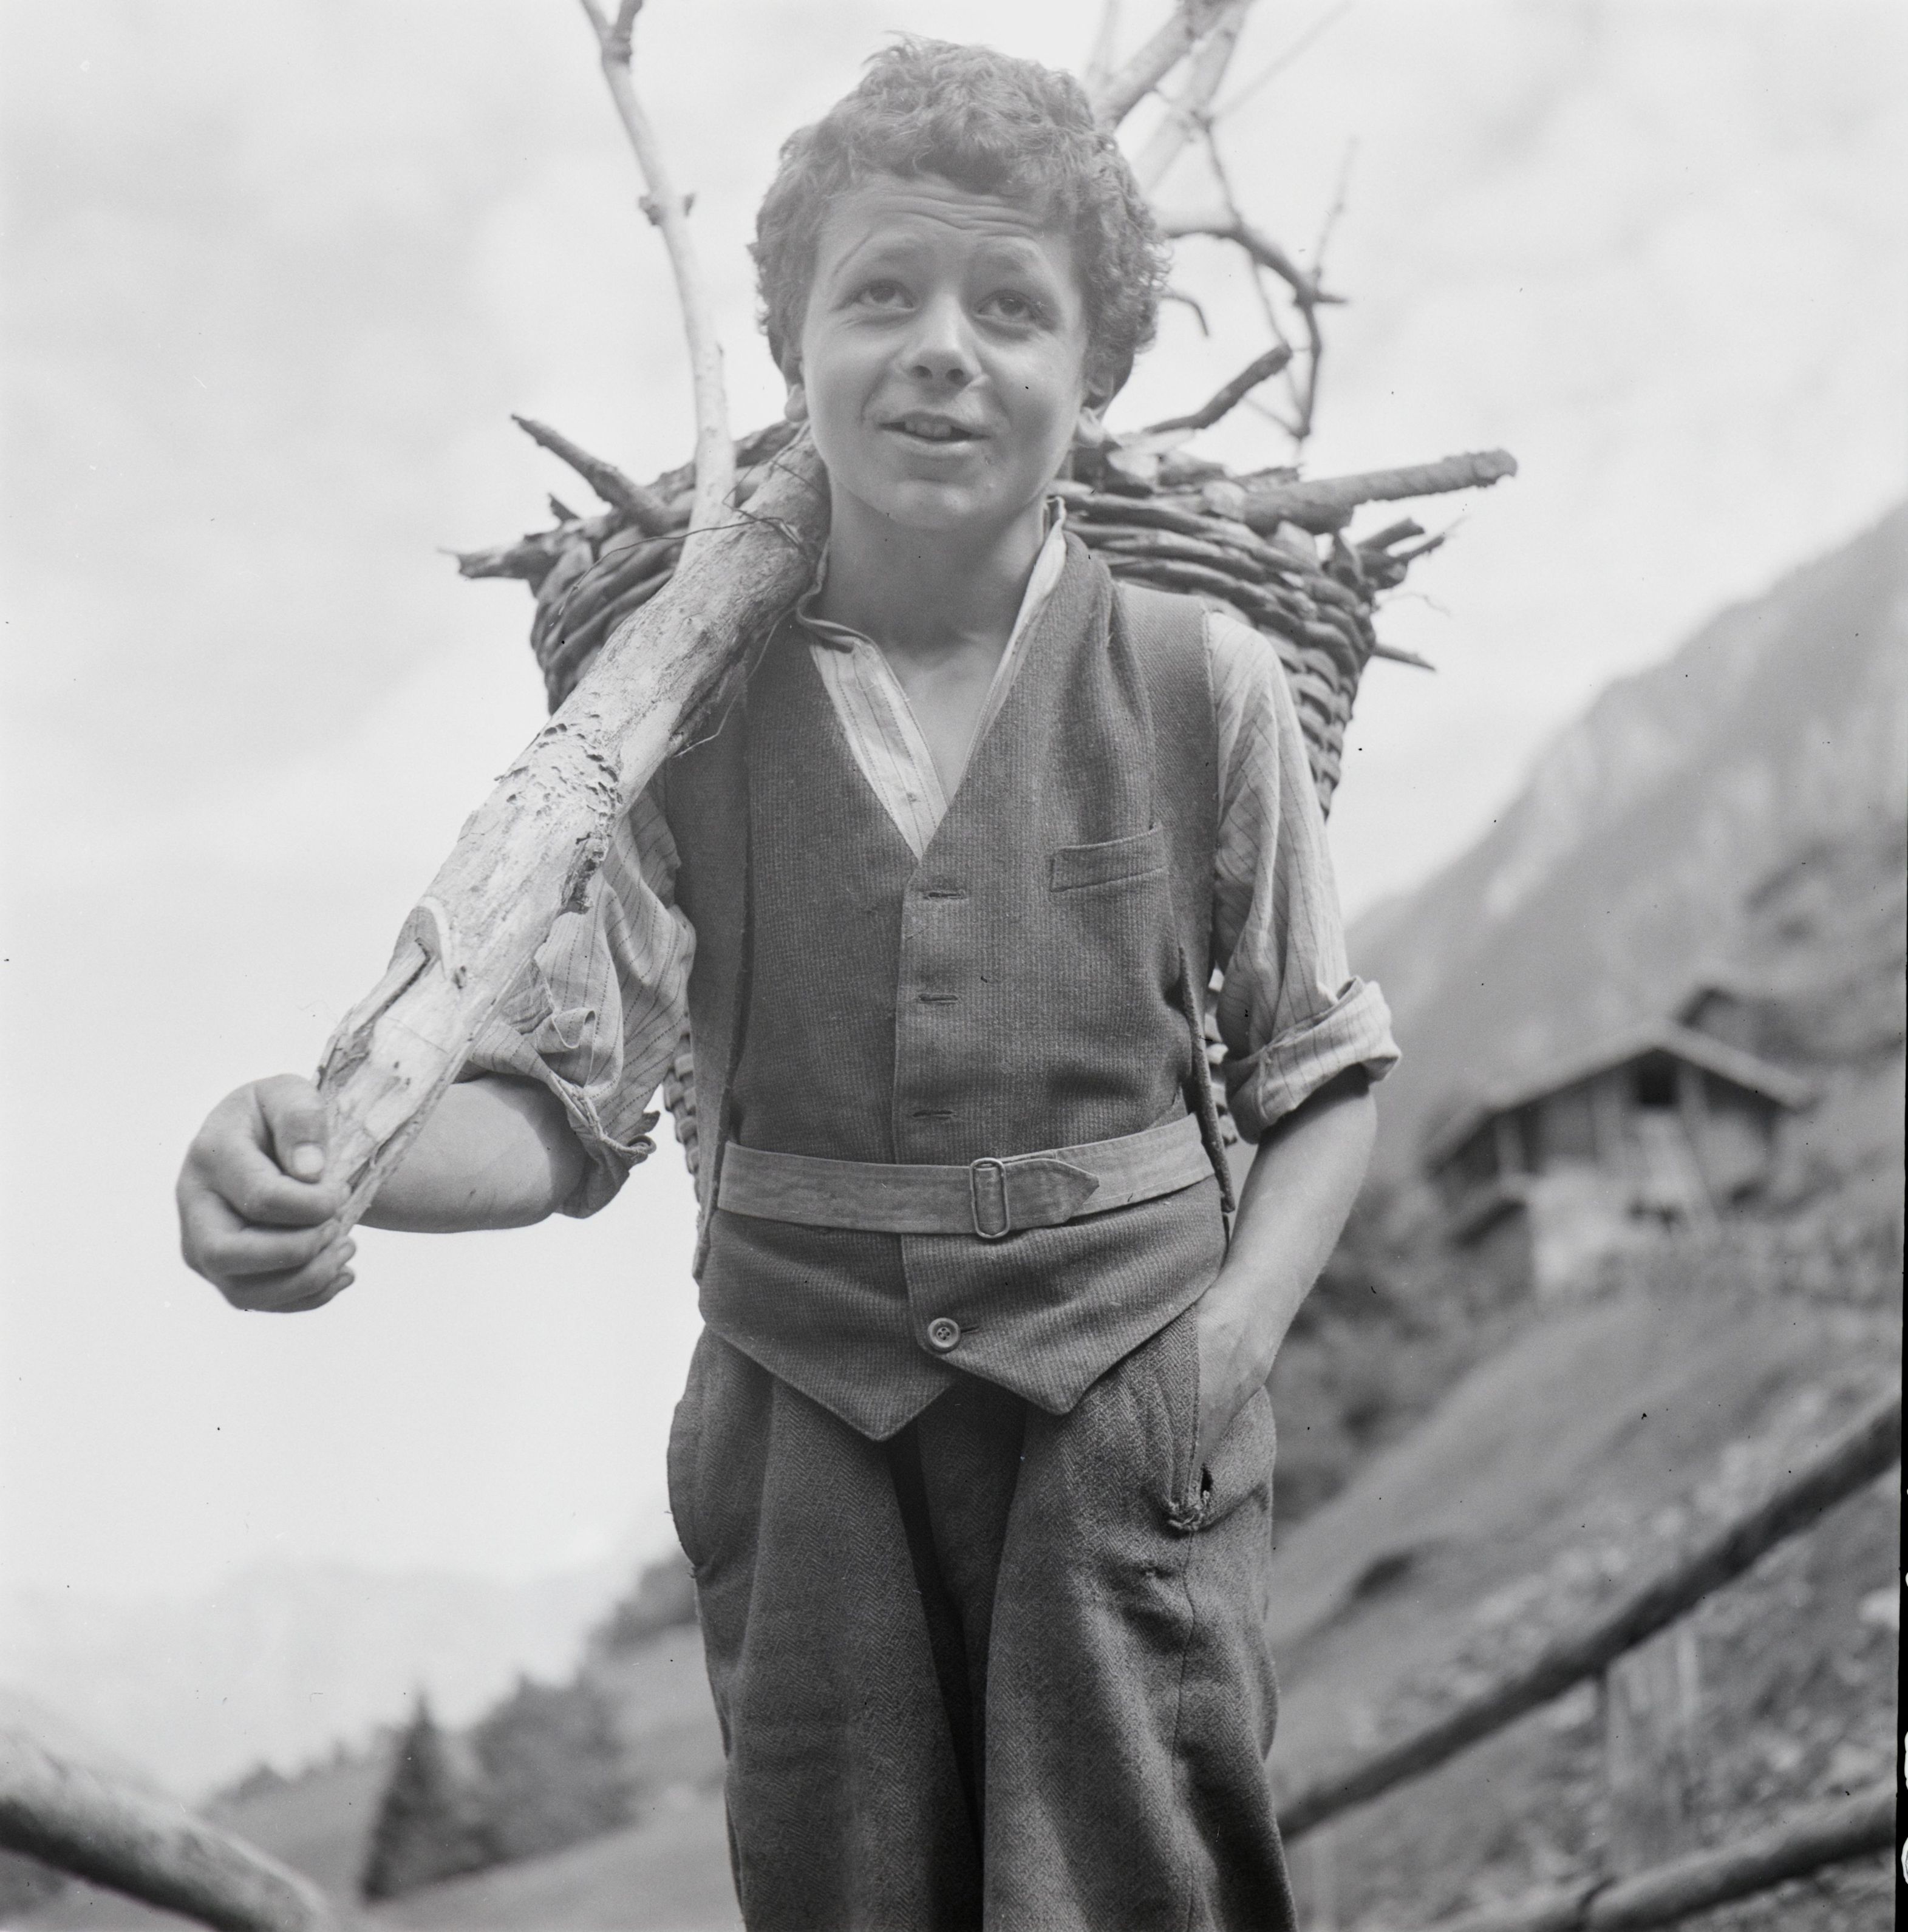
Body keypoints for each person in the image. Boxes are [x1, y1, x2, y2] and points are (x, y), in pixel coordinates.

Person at [177, 39, 1396, 1932]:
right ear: (794, 350)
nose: (943, 348)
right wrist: (336, 1155)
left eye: (1012, 308)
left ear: (1096, 374)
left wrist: (1210, 1370)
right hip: (806, 1438)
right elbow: (564, 1111)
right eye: (882, 294)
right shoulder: (682, 720)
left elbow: (1322, 1079)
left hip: (1125, 1437)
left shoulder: (1200, 679)